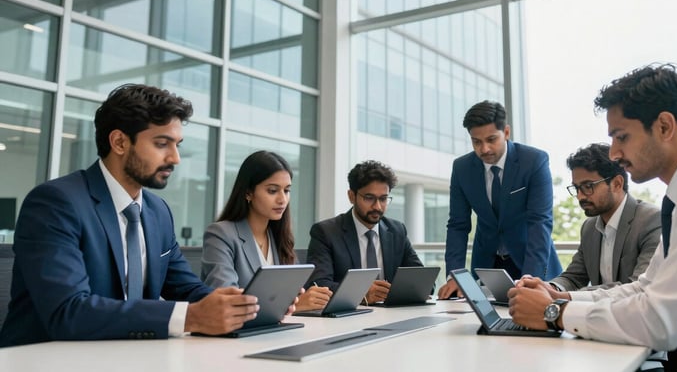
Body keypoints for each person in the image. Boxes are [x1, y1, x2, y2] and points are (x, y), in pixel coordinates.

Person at [508, 64, 677, 372]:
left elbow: (663, 321)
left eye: (621, 137)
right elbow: (644, 288)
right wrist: (562, 298)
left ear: (664, 127)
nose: (614, 154)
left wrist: (555, 312)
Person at [0, 84, 260, 347]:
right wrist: (191, 317)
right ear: (120, 142)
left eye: (177, 145)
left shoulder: (158, 212)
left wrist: (243, 307)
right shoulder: (55, 203)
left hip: (128, 355)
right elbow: (67, 312)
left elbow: (188, 289)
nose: (176, 158)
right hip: (42, 358)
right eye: (162, 144)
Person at [438, 100, 561, 299]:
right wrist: (455, 275)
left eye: (491, 139)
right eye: (476, 142)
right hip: (487, 267)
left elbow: (540, 222)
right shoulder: (461, 168)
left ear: (506, 132)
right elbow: (457, 226)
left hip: (530, 263)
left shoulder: (534, 161)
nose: (484, 149)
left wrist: (531, 278)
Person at [200, 150, 332, 312]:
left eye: (287, 190)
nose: (282, 199)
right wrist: (292, 305)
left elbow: (296, 293)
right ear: (248, 192)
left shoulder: (279, 237)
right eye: (272, 190)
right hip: (237, 335)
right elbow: (227, 302)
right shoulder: (221, 234)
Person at [305, 160, 423, 304]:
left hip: (391, 315)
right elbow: (318, 285)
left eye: (383, 199)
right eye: (369, 198)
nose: (377, 206)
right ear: (351, 196)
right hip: (347, 317)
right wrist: (361, 293)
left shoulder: (397, 231)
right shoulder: (326, 232)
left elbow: (423, 282)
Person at [549, 143, 661, 292]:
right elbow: (573, 278)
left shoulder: (650, 220)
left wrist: (570, 297)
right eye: (576, 188)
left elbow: (637, 287)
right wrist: (547, 288)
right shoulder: (589, 227)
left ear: (617, 184)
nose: (580, 196)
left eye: (588, 186)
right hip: (599, 313)